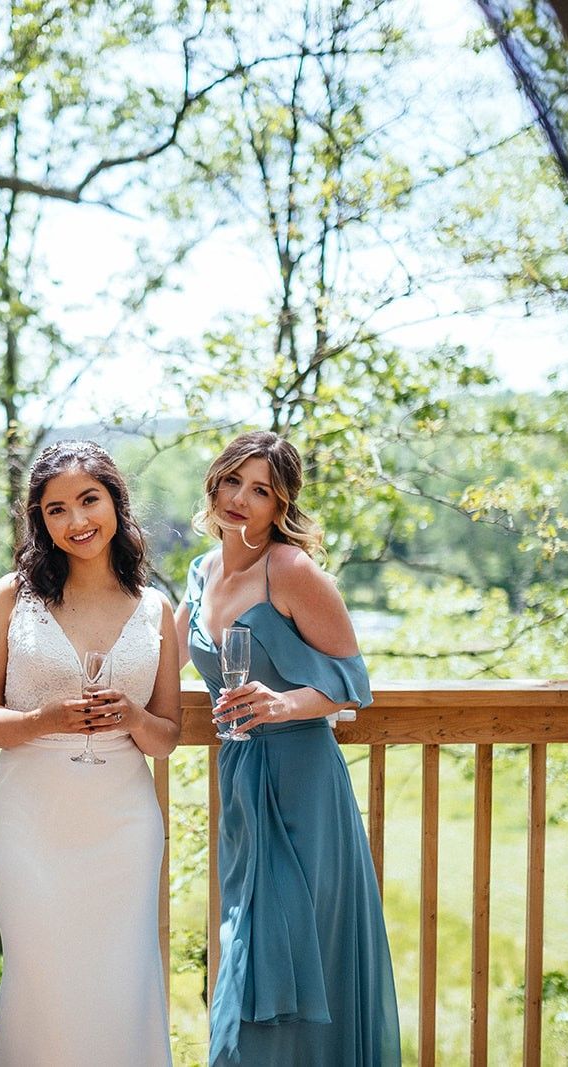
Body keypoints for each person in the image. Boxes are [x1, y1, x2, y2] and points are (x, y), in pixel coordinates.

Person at [175, 430, 400, 1064]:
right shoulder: (201, 571)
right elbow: (161, 657)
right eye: (232, 483)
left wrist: (283, 703)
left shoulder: (293, 571)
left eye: (261, 491)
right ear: (214, 485)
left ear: (281, 507)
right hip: (242, 778)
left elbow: (352, 683)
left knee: (295, 956)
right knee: (248, 945)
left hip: (303, 784)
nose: (241, 499)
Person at [0, 440, 181, 1067]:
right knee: (42, 981)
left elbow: (166, 736)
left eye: (89, 500)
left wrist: (135, 717)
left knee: (122, 978)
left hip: (123, 818)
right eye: (56, 510)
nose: (77, 521)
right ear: (41, 520)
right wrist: (45, 719)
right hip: (32, 816)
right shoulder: (13, 596)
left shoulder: (155, 609)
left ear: (115, 501)